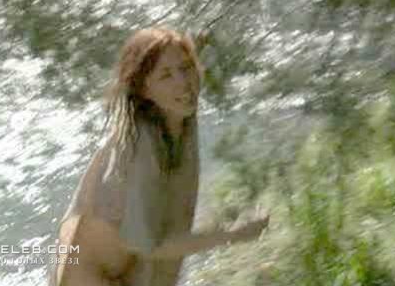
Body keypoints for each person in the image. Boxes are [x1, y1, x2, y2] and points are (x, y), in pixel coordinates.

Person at [49, 28, 268, 286]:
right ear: (144, 89)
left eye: (186, 68)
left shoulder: (177, 118)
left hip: (121, 271)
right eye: (165, 75)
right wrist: (232, 234)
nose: (183, 82)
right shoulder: (140, 144)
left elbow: (166, 224)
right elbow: (149, 244)